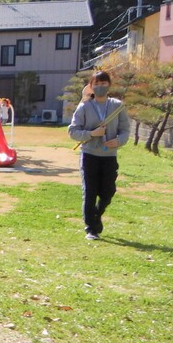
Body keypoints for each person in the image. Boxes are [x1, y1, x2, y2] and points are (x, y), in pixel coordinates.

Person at [67, 70, 130, 240]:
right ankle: (91, 228)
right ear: (91, 86)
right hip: (89, 154)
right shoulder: (85, 107)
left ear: (109, 85)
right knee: (90, 191)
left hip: (109, 156)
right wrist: (92, 134)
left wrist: (118, 141)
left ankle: (97, 214)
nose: (100, 87)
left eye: (104, 84)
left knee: (108, 191)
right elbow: (73, 131)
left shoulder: (117, 106)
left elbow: (125, 130)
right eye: (97, 84)